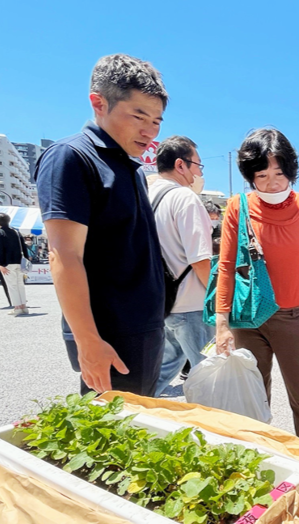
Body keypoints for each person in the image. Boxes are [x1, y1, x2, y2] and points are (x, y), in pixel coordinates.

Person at [36, 54, 168, 396]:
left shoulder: (131, 167)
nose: (150, 130)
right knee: (113, 439)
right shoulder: (72, 156)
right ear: (99, 103)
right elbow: (63, 254)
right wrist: (87, 340)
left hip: (145, 328)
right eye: (139, 115)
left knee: (142, 436)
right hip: (112, 332)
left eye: (156, 121)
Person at [216, 129, 299, 455]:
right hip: (249, 318)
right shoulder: (238, 207)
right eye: (261, 175)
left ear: (291, 171)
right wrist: (222, 324)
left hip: (297, 318)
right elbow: (226, 266)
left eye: (278, 173)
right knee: (252, 397)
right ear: (250, 177)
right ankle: (258, 465)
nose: (271, 183)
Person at [148, 136, 214, 396]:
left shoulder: (146, 195)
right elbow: (199, 259)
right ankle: (212, 431)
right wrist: (219, 298)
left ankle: (135, 412)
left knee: (164, 366)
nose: (198, 172)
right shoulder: (185, 198)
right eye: (197, 165)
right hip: (191, 303)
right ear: (180, 165)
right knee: (209, 374)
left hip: (161, 301)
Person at [0, 213, 30, 316]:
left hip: (7, 263)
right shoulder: (16, 232)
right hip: (20, 262)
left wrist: (0, 265)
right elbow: (24, 247)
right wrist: (25, 259)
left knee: (12, 286)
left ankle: (17, 307)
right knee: (20, 285)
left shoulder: (1, 232)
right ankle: (23, 306)